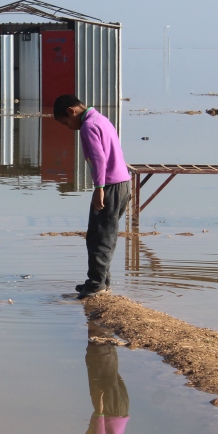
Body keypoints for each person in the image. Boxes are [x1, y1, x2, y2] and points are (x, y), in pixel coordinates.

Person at [53, 94, 131, 299]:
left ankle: (96, 285)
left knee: (99, 236)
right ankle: (100, 281)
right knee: (105, 233)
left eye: (65, 122)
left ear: (72, 111)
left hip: (110, 185)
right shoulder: (101, 119)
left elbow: (98, 159)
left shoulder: (88, 126)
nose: (68, 127)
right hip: (122, 183)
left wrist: (99, 188)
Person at [52, 318, 130, 434]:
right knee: (99, 363)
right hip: (108, 411)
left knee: (108, 365)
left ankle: (104, 325)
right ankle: (100, 322)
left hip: (120, 410)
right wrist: (100, 412)